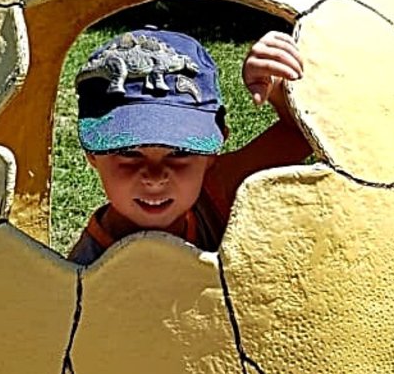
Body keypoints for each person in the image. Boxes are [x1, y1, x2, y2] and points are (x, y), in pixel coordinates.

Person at [67, 26, 307, 266]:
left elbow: (300, 135)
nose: (155, 177)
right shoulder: (81, 272)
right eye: (129, 152)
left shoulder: (213, 194)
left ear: (213, 150)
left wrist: (277, 85)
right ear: (92, 153)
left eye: (179, 152)